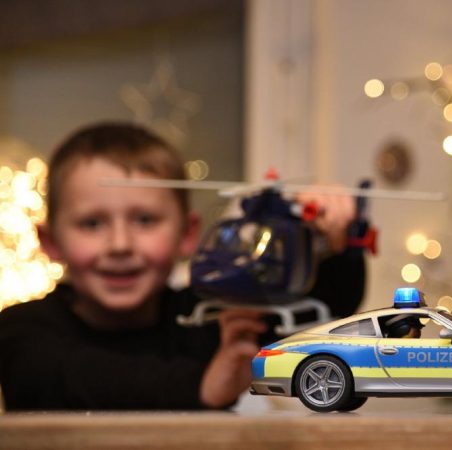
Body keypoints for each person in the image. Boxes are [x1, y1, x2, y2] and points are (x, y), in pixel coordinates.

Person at [0, 122, 364, 410]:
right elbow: (66, 377)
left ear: (188, 234)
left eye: (145, 220)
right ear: (50, 241)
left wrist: (334, 240)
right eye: (92, 224)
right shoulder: (21, 330)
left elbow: (329, 306)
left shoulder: (211, 316)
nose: (120, 244)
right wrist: (202, 386)